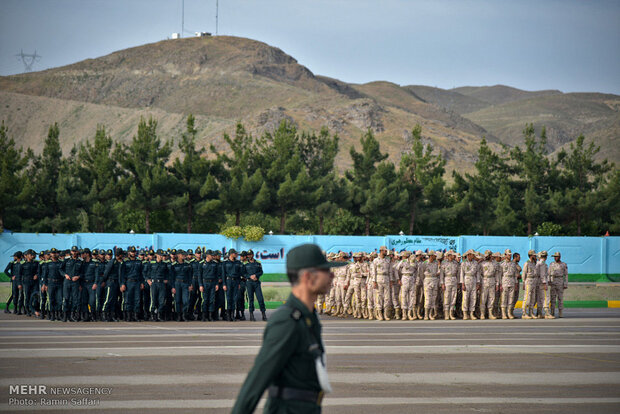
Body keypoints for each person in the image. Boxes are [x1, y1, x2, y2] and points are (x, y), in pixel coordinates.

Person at [231, 244, 346, 414]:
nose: (332, 275)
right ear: (308, 277)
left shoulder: (309, 315)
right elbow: (257, 380)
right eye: (325, 270)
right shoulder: (287, 320)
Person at [245, 250, 267, 321]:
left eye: (250, 254)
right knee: (250, 299)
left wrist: (256, 275)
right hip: (249, 283)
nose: (249, 256)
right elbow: (243, 273)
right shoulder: (245, 264)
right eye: (248, 255)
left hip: (256, 283)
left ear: (253, 255)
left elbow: (261, 271)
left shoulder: (258, 263)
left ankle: (263, 315)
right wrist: (249, 276)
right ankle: (251, 315)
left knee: (260, 298)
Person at [548, 252, 568, 317]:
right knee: (552, 298)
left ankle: (560, 312)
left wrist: (565, 284)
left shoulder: (563, 264)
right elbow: (549, 273)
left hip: (560, 281)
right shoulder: (551, 264)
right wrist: (549, 281)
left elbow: (566, 275)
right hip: (553, 281)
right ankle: (552, 312)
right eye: (554, 256)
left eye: (556, 256)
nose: (555, 258)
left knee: (560, 298)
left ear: (559, 257)